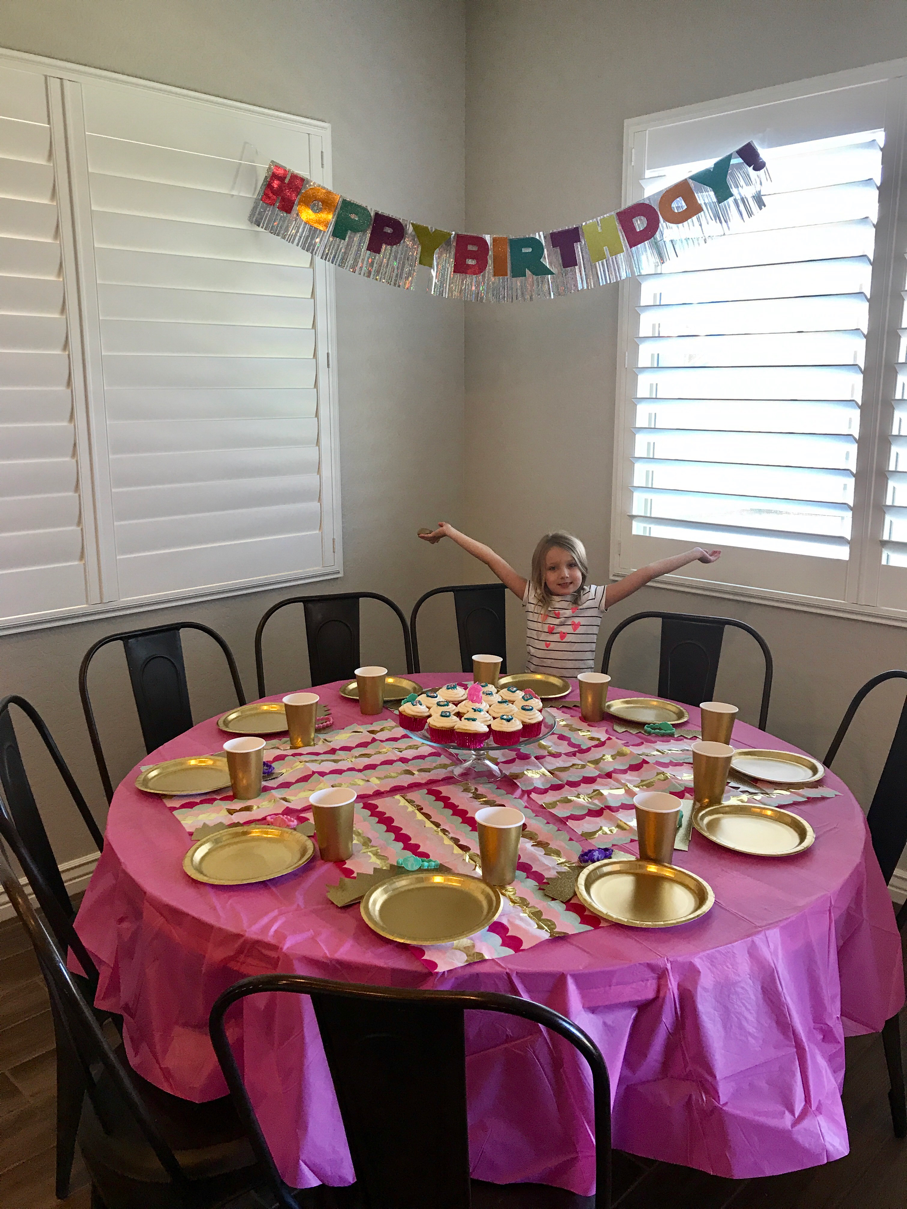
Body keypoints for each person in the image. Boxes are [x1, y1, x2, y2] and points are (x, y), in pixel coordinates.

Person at [419, 523, 721, 678]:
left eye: (571, 565)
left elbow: (647, 572)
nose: (564, 574)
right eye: (553, 568)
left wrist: (695, 554)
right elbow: (491, 558)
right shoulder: (532, 596)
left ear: (582, 567)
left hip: (578, 698)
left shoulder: (596, 599)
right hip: (534, 695)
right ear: (541, 573)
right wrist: (451, 533)